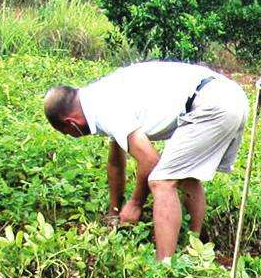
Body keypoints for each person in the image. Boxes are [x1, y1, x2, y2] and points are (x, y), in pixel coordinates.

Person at [43, 61, 249, 260]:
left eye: (67, 133)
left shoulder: (103, 109)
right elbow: (116, 162)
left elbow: (150, 160)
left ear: (70, 123)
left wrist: (135, 203)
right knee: (185, 174)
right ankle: (195, 249)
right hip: (229, 95)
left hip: (212, 104)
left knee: (162, 181)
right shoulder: (98, 95)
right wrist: (114, 211)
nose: (71, 136)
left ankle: (165, 268)